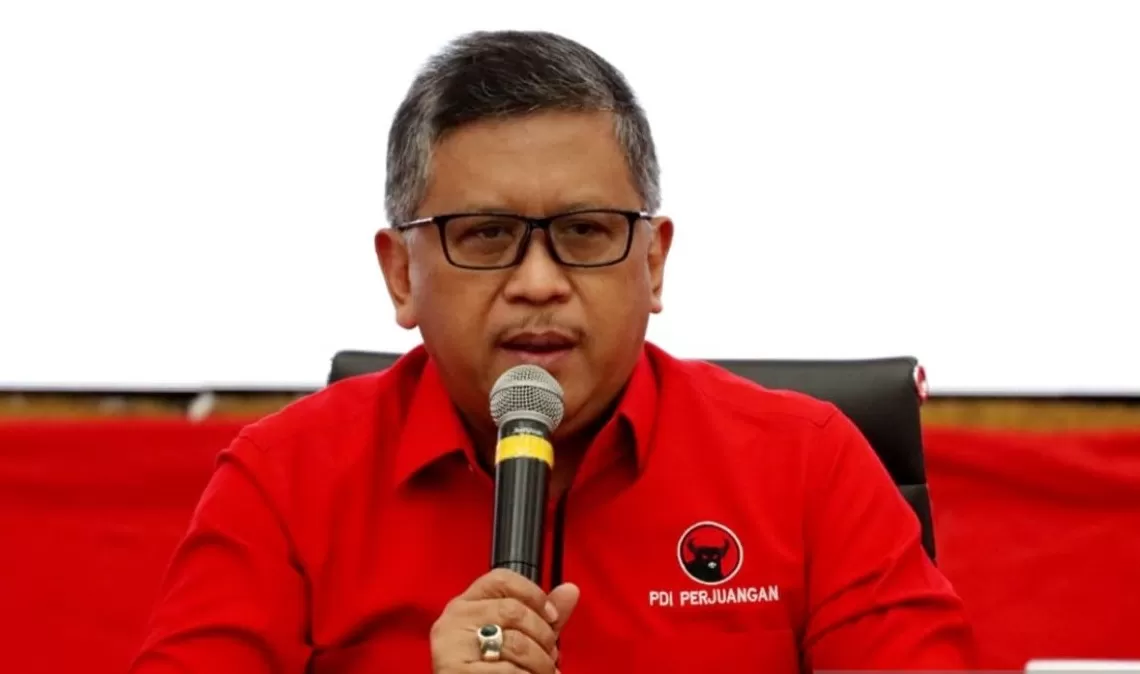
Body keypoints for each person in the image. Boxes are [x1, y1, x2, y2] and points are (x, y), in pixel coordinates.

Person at [129, 30, 975, 673]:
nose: (538, 283)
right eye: (485, 235)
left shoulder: (806, 466)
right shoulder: (285, 480)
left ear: (653, 263)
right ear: (400, 275)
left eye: (585, 232)